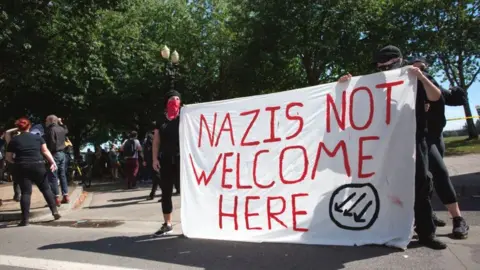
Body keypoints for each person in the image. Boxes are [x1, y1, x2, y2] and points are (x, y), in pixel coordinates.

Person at [338, 45, 446, 249]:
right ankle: (384, 228)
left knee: (420, 186)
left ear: (398, 61)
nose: (382, 69)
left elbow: (436, 97)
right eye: (379, 66)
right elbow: (352, 104)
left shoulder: (414, 78)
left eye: (386, 64)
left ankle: (425, 233)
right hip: (382, 144)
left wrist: (422, 78)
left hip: (414, 141)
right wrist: (343, 86)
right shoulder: (371, 83)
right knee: (382, 186)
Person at [411, 58, 470, 239]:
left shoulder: (429, 81)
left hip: (435, 135)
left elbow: (447, 97)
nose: (419, 69)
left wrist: (422, 78)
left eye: (422, 67)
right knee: (428, 175)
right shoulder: (403, 87)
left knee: (438, 173)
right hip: (420, 137)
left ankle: (458, 219)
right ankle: (428, 215)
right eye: (414, 66)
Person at [5, 117, 61, 226]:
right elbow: (45, 151)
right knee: (45, 189)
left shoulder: (14, 140)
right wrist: (52, 162)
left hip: (22, 167)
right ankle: (54, 211)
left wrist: (17, 162)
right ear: (29, 126)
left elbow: (8, 157)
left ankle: (25, 220)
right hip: (38, 165)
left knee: (26, 192)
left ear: (18, 128)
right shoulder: (37, 138)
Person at [152, 90, 182, 236]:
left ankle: (191, 223)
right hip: (165, 160)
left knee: (186, 191)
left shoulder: (184, 117)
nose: (175, 100)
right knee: (166, 192)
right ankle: (167, 223)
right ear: (166, 102)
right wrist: (154, 158)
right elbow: (156, 141)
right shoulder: (161, 120)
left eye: (178, 99)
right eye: (172, 98)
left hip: (181, 159)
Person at [44, 115, 69, 205]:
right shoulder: (62, 129)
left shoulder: (50, 130)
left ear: (50, 121)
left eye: (46, 121)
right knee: (62, 175)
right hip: (62, 154)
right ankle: (65, 195)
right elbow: (66, 130)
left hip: (54, 153)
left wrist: (48, 155)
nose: (45, 122)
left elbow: (51, 142)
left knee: (53, 176)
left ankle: (56, 198)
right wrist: (61, 122)